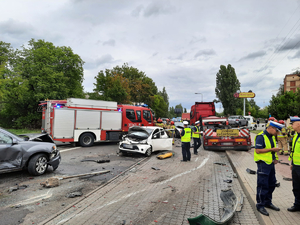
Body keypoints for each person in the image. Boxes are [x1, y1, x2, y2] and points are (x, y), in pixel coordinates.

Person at [254, 121, 284, 216]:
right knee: (263, 185)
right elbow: (258, 150)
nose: (276, 132)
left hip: (270, 164)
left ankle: (267, 202)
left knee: (271, 184)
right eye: (276, 130)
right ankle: (260, 205)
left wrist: (275, 158)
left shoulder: (270, 137)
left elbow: (271, 151)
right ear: (270, 128)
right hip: (263, 164)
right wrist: (272, 149)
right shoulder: (261, 136)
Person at [287, 116, 300, 212]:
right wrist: (292, 163)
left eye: (292, 123)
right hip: (296, 166)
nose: (291, 125)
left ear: (298, 124)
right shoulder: (296, 136)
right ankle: (297, 205)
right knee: (296, 187)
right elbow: (294, 151)